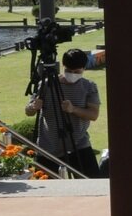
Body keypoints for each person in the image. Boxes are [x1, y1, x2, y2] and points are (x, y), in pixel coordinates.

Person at [25, 48, 102, 177]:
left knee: (93, 182)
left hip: (78, 144)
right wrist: (33, 106)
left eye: (76, 72)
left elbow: (93, 115)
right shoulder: (46, 84)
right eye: (68, 71)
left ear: (83, 68)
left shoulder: (89, 86)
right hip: (48, 146)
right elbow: (28, 111)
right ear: (63, 67)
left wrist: (74, 109)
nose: (71, 74)